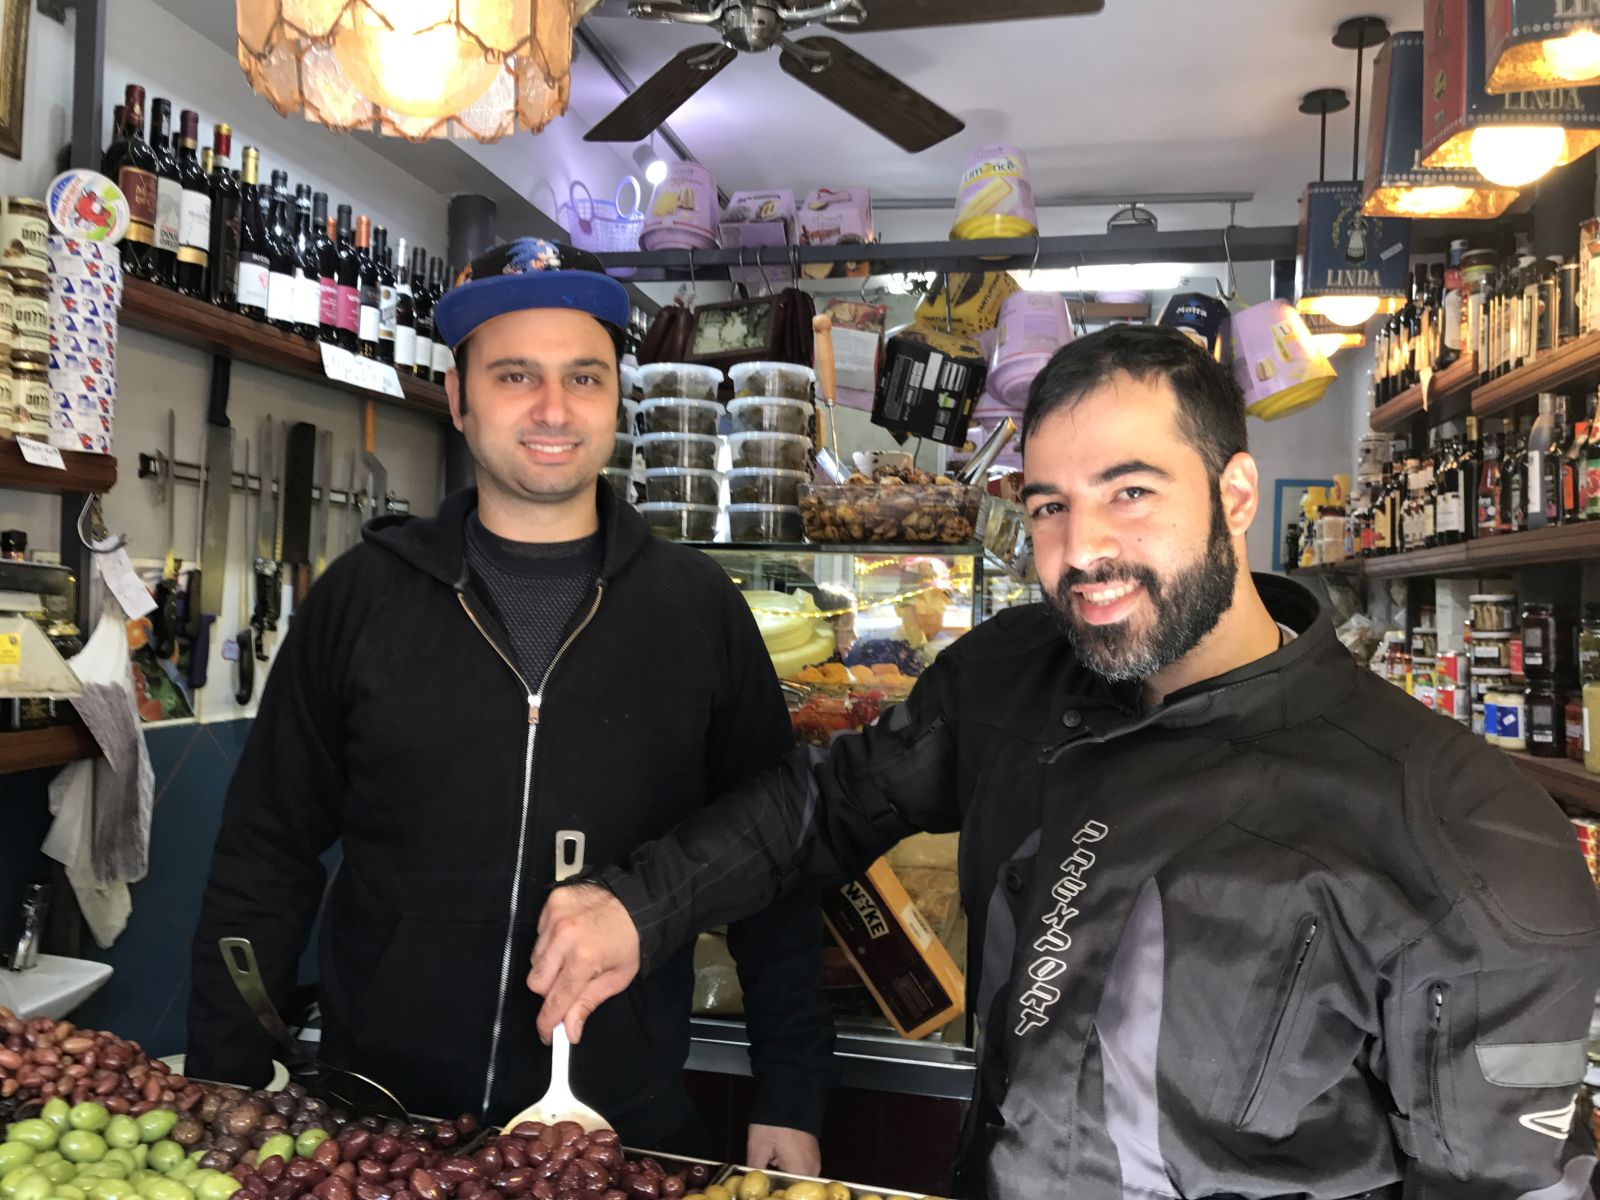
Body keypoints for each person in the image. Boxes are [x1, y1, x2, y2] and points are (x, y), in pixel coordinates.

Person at [528, 325, 1600, 1198]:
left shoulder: (1466, 834)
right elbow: (829, 802)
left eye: (1130, 491)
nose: (1080, 549)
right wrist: (641, 904)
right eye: (1047, 505)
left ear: (1233, 494)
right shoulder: (1011, 676)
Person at [187, 240, 833, 1172]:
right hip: (381, 1135)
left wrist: (791, 1089)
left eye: (584, 376)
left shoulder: (698, 611)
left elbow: (774, 858)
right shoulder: (363, 597)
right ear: (457, 397)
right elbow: (264, 853)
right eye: (515, 374)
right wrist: (227, 1086)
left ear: (618, 399)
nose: (553, 409)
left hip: (623, 1127)